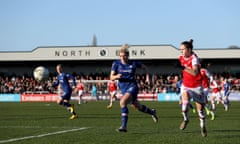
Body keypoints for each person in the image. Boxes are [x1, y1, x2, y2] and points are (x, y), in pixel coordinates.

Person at [110, 44, 158, 132]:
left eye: (124, 55)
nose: (122, 57)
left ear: (128, 55)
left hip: (133, 87)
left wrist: (147, 77)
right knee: (137, 106)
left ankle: (124, 127)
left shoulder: (134, 63)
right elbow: (111, 77)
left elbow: (145, 68)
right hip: (123, 89)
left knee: (122, 102)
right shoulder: (116, 64)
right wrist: (116, 76)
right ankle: (152, 112)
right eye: (121, 56)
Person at [178, 39, 207, 137]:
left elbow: (195, 73)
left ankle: (203, 127)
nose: (181, 51)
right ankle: (186, 120)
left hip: (197, 87)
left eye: (183, 49)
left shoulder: (194, 59)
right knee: (184, 105)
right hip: (186, 86)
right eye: (180, 49)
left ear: (189, 50)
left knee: (201, 112)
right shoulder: (181, 57)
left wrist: (183, 68)